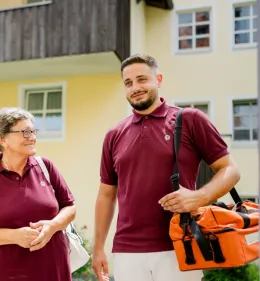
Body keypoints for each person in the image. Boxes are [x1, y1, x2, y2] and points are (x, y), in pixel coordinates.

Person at [91, 53, 241, 281]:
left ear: (158, 80)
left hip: (180, 244)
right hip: (127, 250)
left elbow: (230, 169)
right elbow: (106, 194)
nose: (135, 88)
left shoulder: (189, 119)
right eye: (128, 83)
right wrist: (98, 247)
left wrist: (200, 196)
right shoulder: (114, 135)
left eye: (142, 79)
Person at [0, 107, 76, 281]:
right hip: (7, 274)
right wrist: (14, 236)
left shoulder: (45, 167)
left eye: (32, 131)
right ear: (2, 139)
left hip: (53, 271)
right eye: (24, 132)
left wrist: (52, 226)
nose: (32, 137)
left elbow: (69, 207)